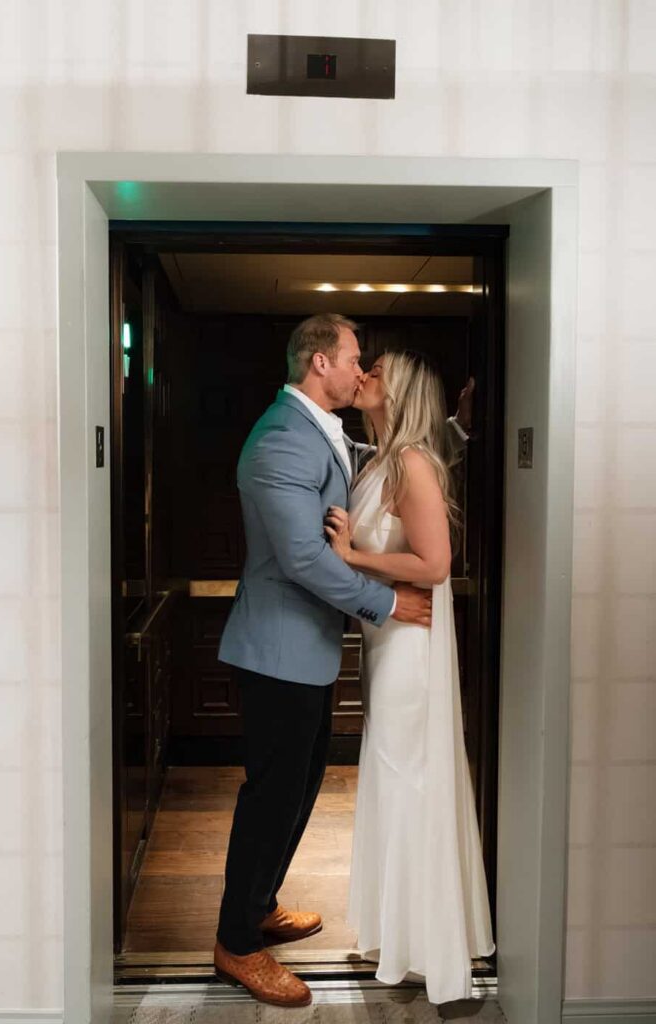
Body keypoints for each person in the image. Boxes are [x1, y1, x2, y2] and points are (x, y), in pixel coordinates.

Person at [214, 313, 472, 1008]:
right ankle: (237, 943)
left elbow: (400, 464)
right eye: (356, 358)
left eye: (370, 365)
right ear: (320, 362)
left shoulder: (328, 434)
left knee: (296, 790)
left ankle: (259, 903)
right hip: (278, 651)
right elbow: (304, 557)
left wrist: (456, 428)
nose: (361, 370)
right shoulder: (281, 439)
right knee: (273, 796)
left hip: (309, 653)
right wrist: (385, 605)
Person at [324, 349, 495, 1005]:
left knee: (408, 778)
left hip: (409, 649)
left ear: (401, 392)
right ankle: (401, 933)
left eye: (378, 371)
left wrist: (352, 555)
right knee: (393, 776)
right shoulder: (382, 459)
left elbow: (435, 565)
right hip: (385, 643)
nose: (365, 374)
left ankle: (426, 944)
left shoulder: (412, 464)